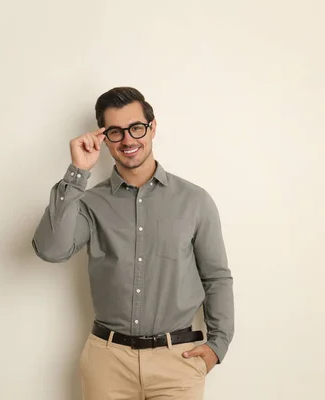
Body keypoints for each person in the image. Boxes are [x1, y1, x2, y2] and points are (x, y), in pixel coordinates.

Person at [31, 86, 234, 400]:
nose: (127, 140)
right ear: (104, 137)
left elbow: (216, 277)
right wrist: (77, 173)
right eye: (115, 131)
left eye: (136, 128)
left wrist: (217, 345)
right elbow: (51, 250)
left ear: (152, 128)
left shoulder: (195, 201)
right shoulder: (89, 203)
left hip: (177, 363)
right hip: (107, 363)